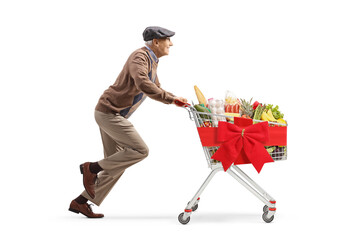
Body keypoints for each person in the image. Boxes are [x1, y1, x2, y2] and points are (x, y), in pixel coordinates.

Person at [69, 26, 187, 218]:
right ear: (156, 42)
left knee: (116, 163)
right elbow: (143, 83)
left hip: (111, 113)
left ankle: (80, 202)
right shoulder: (139, 57)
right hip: (109, 113)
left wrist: (175, 99)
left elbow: (155, 87)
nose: (171, 43)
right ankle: (90, 168)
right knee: (141, 150)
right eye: (168, 40)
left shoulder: (152, 61)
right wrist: (171, 99)